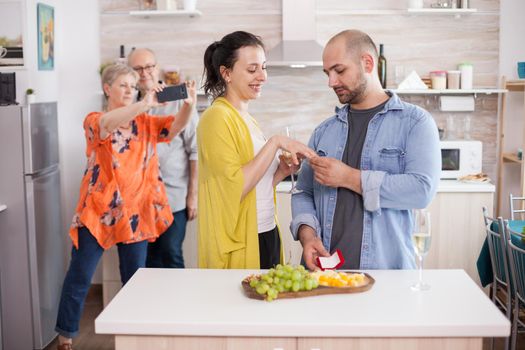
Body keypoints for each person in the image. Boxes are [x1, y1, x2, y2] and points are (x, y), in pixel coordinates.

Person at [55, 64, 196, 350]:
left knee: (134, 281)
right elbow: (108, 124)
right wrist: (145, 103)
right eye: (123, 85)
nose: (130, 90)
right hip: (98, 212)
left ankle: (134, 338)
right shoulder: (95, 120)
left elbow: (176, 126)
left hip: (136, 213)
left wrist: (188, 106)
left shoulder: (145, 123)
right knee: (80, 275)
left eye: (133, 86)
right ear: (107, 89)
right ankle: (66, 335)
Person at [291, 29, 440, 271]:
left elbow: (422, 190)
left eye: (339, 71)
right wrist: (308, 236)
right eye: (327, 73)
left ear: (367, 63)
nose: (331, 82)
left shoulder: (415, 122)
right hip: (324, 274)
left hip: (386, 275)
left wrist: (349, 177)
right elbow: (303, 191)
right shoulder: (323, 131)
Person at [198, 31, 316, 269]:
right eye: (252, 69)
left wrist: (281, 172)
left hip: (266, 230)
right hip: (241, 239)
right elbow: (234, 189)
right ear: (226, 73)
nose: (262, 76)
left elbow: (256, 186)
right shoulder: (216, 118)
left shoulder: (247, 119)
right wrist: (274, 143)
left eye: (264, 67)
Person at [128, 48, 199, 268]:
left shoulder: (177, 99)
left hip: (173, 197)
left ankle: (177, 303)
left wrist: (192, 196)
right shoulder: (128, 105)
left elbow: (195, 150)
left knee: (171, 255)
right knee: (145, 261)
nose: (144, 72)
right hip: (139, 201)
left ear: (157, 68)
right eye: (137, 68)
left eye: (149, 66)